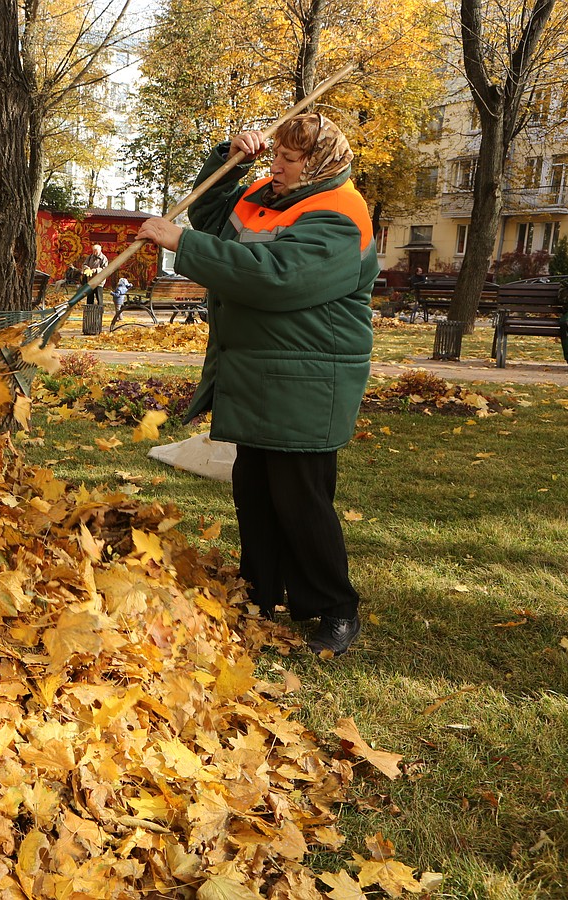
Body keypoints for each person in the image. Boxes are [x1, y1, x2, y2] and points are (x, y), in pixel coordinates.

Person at [136, 113, 376, 658]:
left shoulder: (341, 214)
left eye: (288, 161)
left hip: (308, 378)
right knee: (255, 491)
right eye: (275, 157)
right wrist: (229, 160)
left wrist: (184, 245)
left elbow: (277, 276)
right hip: (262, 373)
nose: (277, 168)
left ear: (318, 163)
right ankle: (259, 596)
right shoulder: (271, 193)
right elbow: (215, 213)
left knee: (301, 498)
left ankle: (335, 608)